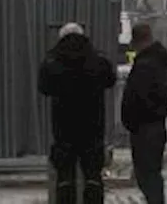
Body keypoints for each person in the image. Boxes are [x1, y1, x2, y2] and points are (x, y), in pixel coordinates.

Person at [37, 22, 116, 204]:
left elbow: (43, 87)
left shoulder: (52, 62)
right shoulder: (97, 60)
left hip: (64, 128)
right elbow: (110, 79)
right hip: (93, 127)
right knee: (93, 176)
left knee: (65, 177)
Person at [122, 22, 167, 204]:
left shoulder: (146, 64)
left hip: (145, 128)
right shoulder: (157, 61)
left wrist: (132, 120)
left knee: (147, 175)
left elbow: (139, 96)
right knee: (151, 174)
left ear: (137, 41)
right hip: (154, 126)